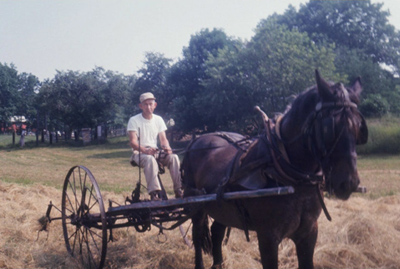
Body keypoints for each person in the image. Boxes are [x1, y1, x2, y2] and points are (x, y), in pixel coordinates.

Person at [127, 92, 183, 200]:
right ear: (141, 106)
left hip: (155, 152)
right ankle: (155, 194)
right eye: (145, 104)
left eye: (150, 104)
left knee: (174, 158)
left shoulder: (158, 119)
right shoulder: (134, 120)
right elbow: (133, 143)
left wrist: (167, 148)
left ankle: (178, 190)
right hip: (139, 153)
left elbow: (163, 139)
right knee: (150, 160)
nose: (148, 107)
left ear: (155, 105)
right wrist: (145, 150)